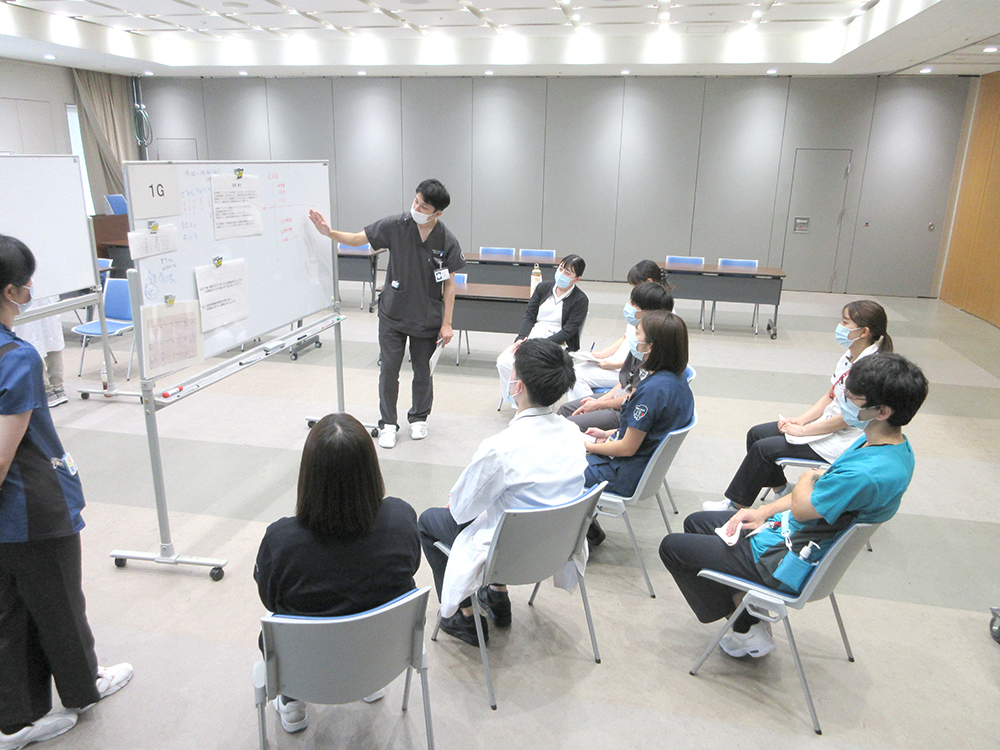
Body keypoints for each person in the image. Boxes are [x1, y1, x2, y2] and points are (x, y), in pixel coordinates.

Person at [659, 353, 927, 658]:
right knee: (697, 522)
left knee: (672, 549)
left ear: (882, 411)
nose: (844, 402)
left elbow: (803, 504)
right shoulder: (887, 446)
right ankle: (746, 606)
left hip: (786, 559)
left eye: (853, 398)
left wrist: (803, 480)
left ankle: (745, 627)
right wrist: (762, 511)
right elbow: (819, 490)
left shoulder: (866, 474)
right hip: (798, 533)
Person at [0, 235, 132, 750]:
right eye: (26, 281)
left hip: (10, 518)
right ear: (12, 291)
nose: (31, 288)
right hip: (29, 507)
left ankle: (16, 720)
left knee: (9, 612)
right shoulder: (15, 357)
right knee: (59, 604)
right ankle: (82, 689)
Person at [254, 413, 421, 734]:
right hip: (383, 656)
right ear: (371, 469)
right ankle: (369, 680)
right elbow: (409, 569)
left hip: (305, 668)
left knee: (279, 625)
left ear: (308, 475)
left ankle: (292, 701)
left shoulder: (281, 541)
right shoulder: (401, 519)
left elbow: (270, 598)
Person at [418, 338, 586, 647]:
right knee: (506, 510)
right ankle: (497, 595)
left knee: (430, 520)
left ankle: (464, 617)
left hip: (506, 553)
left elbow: (460, 510)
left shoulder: (500, 448)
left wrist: (464, 501)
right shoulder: (574, 434)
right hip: (556, 548)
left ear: (517, 386)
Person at [308, 179, 465, 449]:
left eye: (424, 206)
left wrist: (447, 323)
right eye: (415, 201)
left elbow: (449, 285)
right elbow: (358, 239)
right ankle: (388, 423)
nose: (416, 208)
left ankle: (419, 418)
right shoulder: (396, 225)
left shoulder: (446, 239)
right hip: (393, 313)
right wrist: (328, 232)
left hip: (426, 317)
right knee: (389, 370)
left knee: (423, 372)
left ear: (437, 212)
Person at [704, 299, 893, 512]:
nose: (840, 327)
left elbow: (848, 419)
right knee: (757, 434)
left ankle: (735, 505)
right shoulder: (850, 355)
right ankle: (782, 489)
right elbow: (830, 396)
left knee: (763, 449)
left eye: (845, 322)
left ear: (864, 331)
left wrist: (803, 431)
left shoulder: (871, 369)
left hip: (843, 439)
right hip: (827, 425)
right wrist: (800, 420)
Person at [583, 310, 694, 545]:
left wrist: (588, 446)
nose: (634, 338)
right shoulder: (677, 381)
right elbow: (647, 432)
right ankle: (587, 529)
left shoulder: (651, 392)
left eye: (638, 334)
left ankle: (576, 536)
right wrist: (607, 434)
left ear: (651, 347)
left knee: (560, 468)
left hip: (623, 473)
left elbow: (627, 448)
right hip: (641, 467)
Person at [559, 281, 675, 431]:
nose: (628, 305)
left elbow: (634, 399)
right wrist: (598, 402)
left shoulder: (650, 351)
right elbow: (624, 383)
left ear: (649, 313)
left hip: (627, 411)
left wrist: (599, 405)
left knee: (567, 424)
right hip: (621, 397)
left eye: (633, 303)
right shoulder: (639, 341)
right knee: (564, 410)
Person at [563, 260, 667, 402]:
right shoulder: (641, 307)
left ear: (648, 282)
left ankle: (586, 407)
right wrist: (601, 355)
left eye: (634, 285)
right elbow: (625, 337)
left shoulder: (658, 318)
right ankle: (587, 406)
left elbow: (648, 359)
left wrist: (615, 365)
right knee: (575, 370)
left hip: (628, 368)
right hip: (621, 363)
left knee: (574, 375)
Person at [495, 254, 588, 406]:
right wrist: (521, 338)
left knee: (536, 367)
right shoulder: (543, 288)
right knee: (503, 362)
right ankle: (517, 401)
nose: (561, 274)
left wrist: (542, 345)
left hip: (557, 341)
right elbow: (529, 316)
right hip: (534, 334)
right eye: (560, 269)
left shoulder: (580, 299)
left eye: (567, 273)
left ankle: (536, 403)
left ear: (577, 278)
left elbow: (569, 331)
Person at [13, 295, 67, 408]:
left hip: (29, 302)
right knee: (50, 341)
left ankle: (47, 390)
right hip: (44, 300)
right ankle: (56, 387)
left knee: (35, 343)